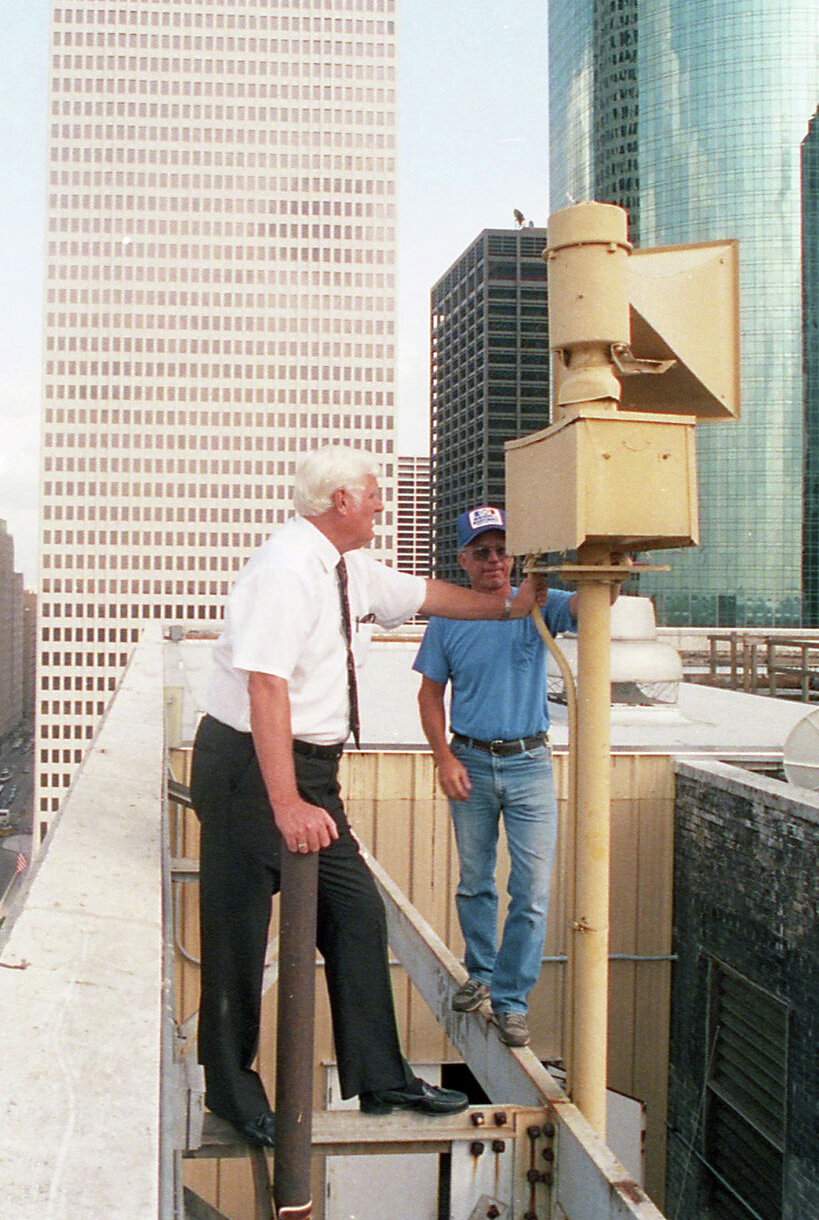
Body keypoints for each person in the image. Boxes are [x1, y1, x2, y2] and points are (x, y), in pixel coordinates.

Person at [192, 446, 547, 1148]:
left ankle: (380, 1076)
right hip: (250, 768)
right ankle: (233, 1093)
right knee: (236, 937)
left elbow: (425, 596)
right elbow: (266, 686)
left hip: (308, 770)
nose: (383, 504)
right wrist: (288, 802)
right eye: (374, 495)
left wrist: (507, 607)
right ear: (340, 501)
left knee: (355, 914)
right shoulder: (286, 568)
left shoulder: (347, 566)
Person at [413, 505, 578, 1049]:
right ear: (463, 560)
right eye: (481, 551)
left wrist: (607, 565)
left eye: (502, 549)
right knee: (475, 881)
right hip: (473, 762)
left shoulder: (539, 604)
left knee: (530, 890)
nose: (493, 560)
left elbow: (588, 608)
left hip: (530, 762)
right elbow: (430, 694)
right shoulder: (450, 617)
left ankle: (511, 1001)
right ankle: (480, 974)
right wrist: (444, 758)